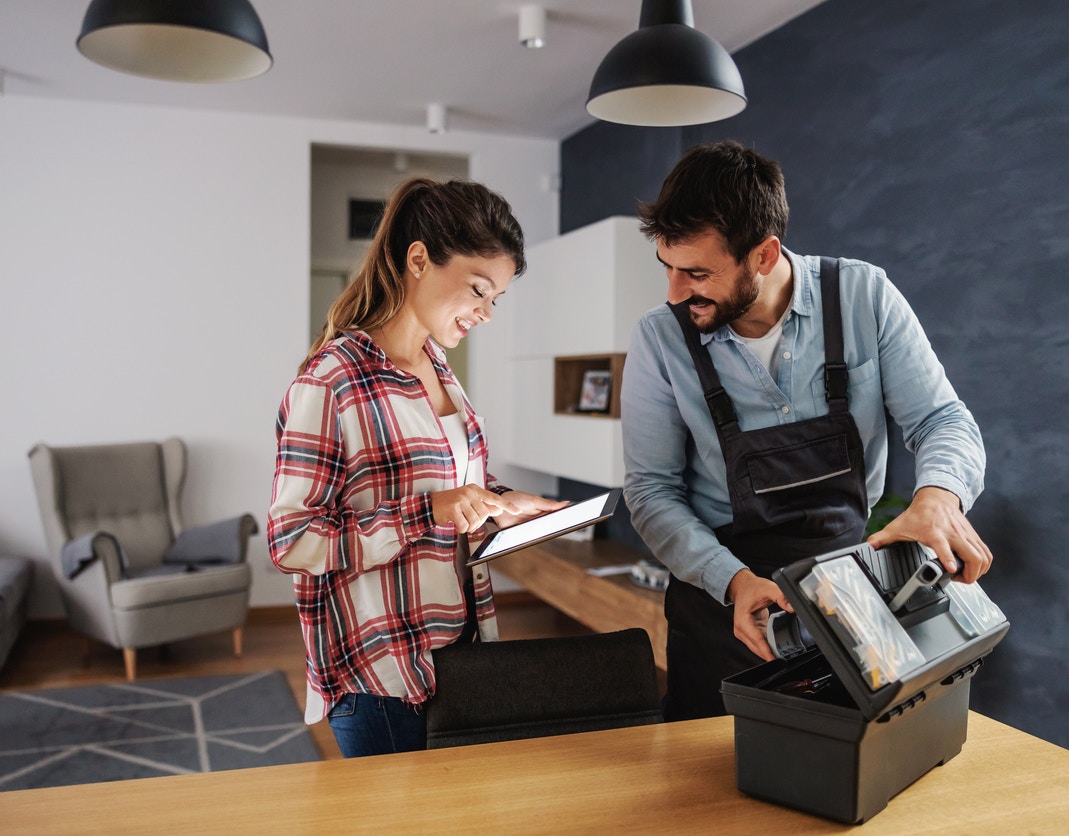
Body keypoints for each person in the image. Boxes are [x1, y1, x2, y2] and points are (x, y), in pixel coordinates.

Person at [620, 141, 993, 721]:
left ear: (764, 255)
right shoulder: (660, 338)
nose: (674, 292)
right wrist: (734, 581)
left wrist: (940, 496)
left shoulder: (865, 297)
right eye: (667, 267)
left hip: (851, 597)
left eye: (696, 273)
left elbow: (942, 419)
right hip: (724, 605)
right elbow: (651, 491)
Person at [268, 177, 566, 756]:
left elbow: (438, 485)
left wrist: (501, 501)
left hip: (458, 652)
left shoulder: (439, 368)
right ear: (420, 259)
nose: (485, 313)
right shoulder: (331, 382)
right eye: (477, 290)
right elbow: (292, 540)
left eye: (494, 300)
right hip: (382, 676)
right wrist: (427, 512)